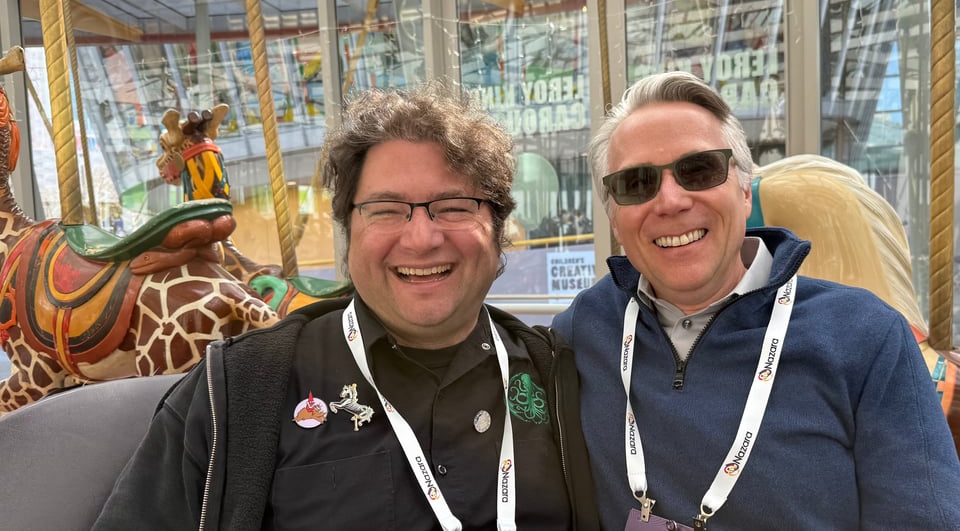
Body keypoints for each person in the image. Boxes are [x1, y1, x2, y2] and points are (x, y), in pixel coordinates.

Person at [92, 81, 599, 530]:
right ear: (348, 232)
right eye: (386, 210)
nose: (421, 238)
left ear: (498, 230)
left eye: (454, 207)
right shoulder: (239, 389)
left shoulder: (557, 378)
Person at [552, 71, 960, 530]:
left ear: (745, 190)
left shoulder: (864, 336)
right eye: (636, 183)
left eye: (700, 170)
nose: (670, 200)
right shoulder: (583, 328)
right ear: (613, 215)